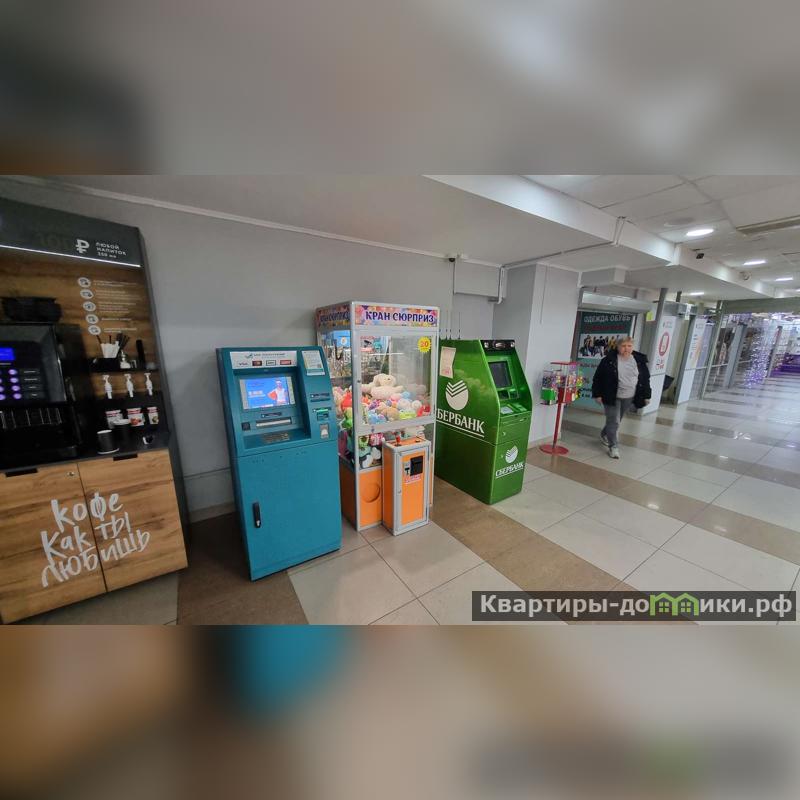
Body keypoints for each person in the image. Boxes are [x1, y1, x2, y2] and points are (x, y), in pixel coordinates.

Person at [591, 336, 651, 459]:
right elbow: (598, 378)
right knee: (614, 421)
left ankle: (604, 433)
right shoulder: (608, 360)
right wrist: (597, 394)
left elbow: (645, 379)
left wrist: (647, 395)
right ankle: (613, 447)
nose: (626, 348)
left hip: (629, 396)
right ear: (617, 347)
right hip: (611, 396)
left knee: (616, 420)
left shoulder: (639, 360)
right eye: (623, 346)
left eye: (629, 346)